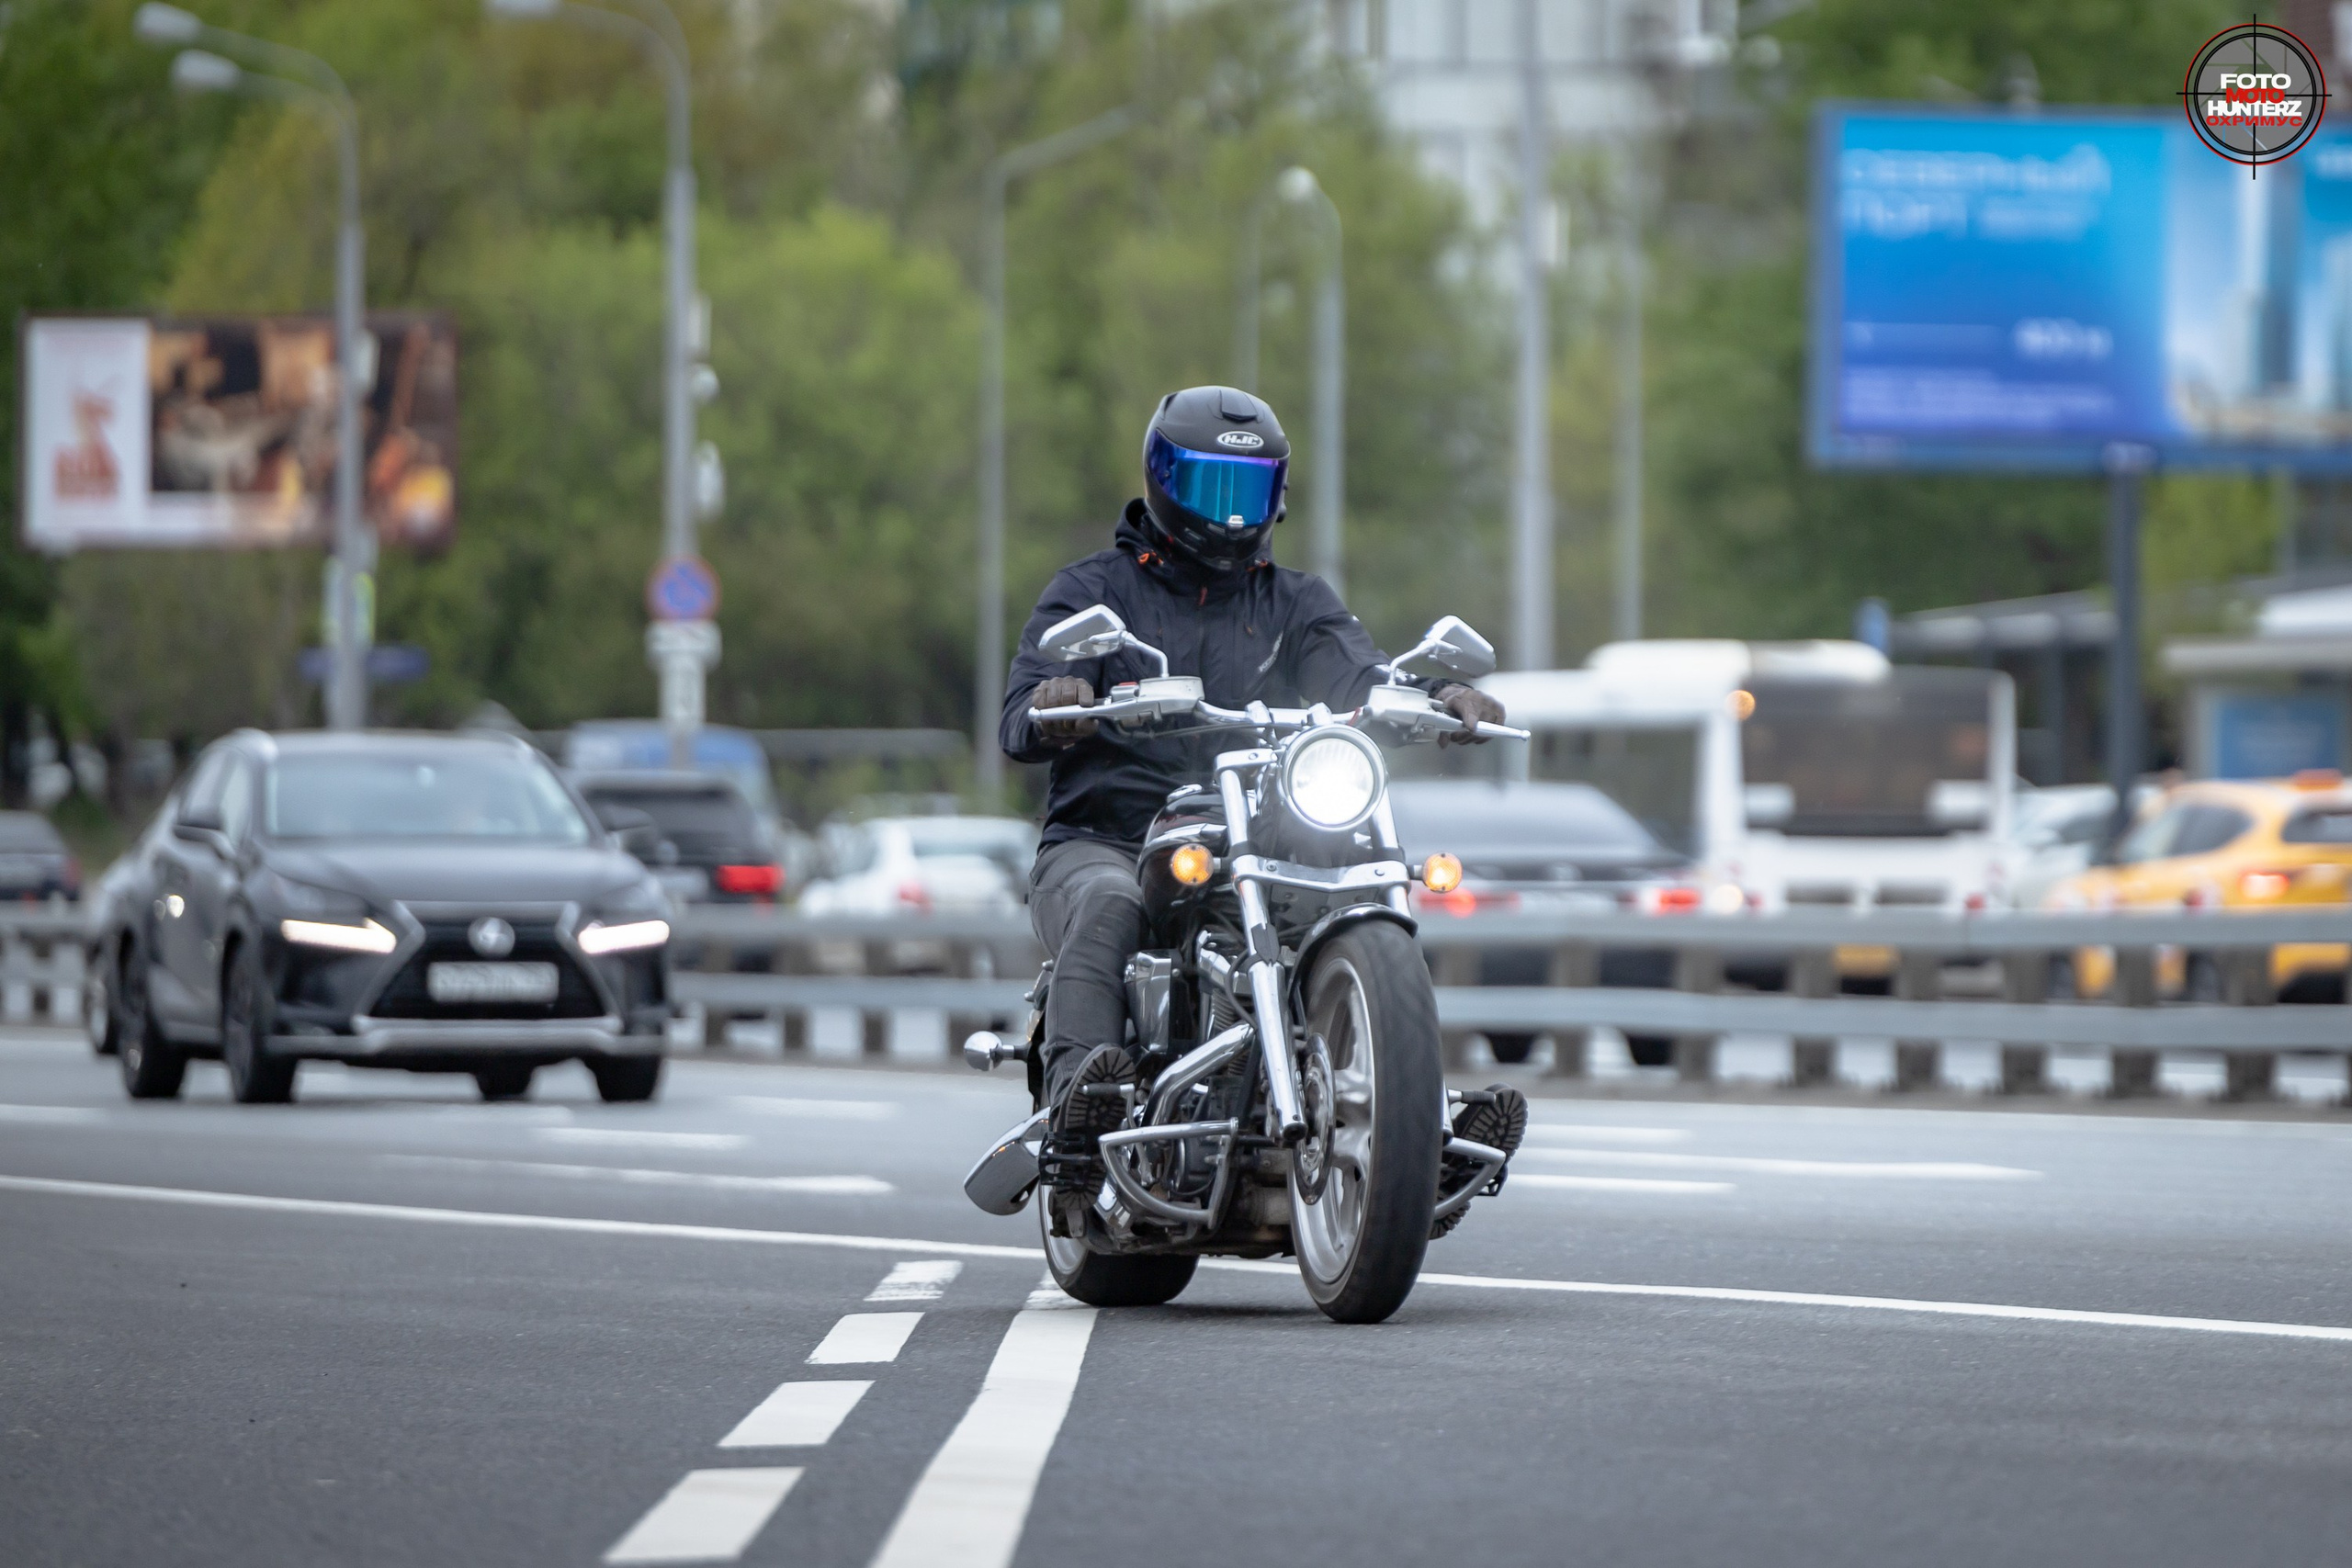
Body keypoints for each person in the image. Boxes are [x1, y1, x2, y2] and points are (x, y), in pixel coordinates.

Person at [999, 385, 1510, 1189]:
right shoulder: (1092, 592)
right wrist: (1055, 703)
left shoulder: (1297, 601)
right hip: (1110, 838)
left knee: (1360, 888)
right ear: (1163, 481)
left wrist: (1440, 700)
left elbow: (1361, 677)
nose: (1231, 515)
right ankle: (1075, 1113)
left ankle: (1415, 1125)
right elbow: (1019, 716)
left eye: (1250, 492)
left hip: (1257, 837)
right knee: (1110, 905)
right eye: (1211, 489)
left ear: (1277, 495)